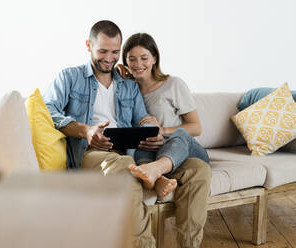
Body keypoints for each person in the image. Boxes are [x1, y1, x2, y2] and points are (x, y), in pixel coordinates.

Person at [44, 21, 210, 248]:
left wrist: (150, 129)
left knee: (198, 170)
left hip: (131, 153)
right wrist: (86, 131)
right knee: (125, 169)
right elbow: (48, 111)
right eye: (102, 51)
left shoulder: (128, 85)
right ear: (88, 45)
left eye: (115, 52)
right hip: (93, 152)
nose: (109, 58)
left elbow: (141, 118)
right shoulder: (69, 77)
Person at [118, 33, 211, 248]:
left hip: (184, 150)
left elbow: (196, 127)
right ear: (125, 61)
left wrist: (163, 130)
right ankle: (156, 173)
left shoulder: (173, 84)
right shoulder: (128, 90)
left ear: (154, 59)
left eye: (144, 57)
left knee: (181, 135)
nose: (138, 63)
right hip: (152, 154)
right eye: (132, 58)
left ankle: (155, 170)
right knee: (199, 172)